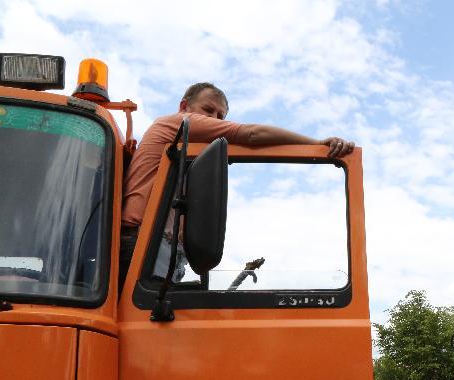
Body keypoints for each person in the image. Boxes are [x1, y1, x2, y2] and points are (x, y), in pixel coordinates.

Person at [119, 82, 355, 288]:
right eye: (208, 110)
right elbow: (251, 135)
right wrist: (316, 145)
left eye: (221, 116)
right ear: (184, 107)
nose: (214, 120)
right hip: (142, 242)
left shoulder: (189, 158)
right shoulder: (178, 124)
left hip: (164, 250)